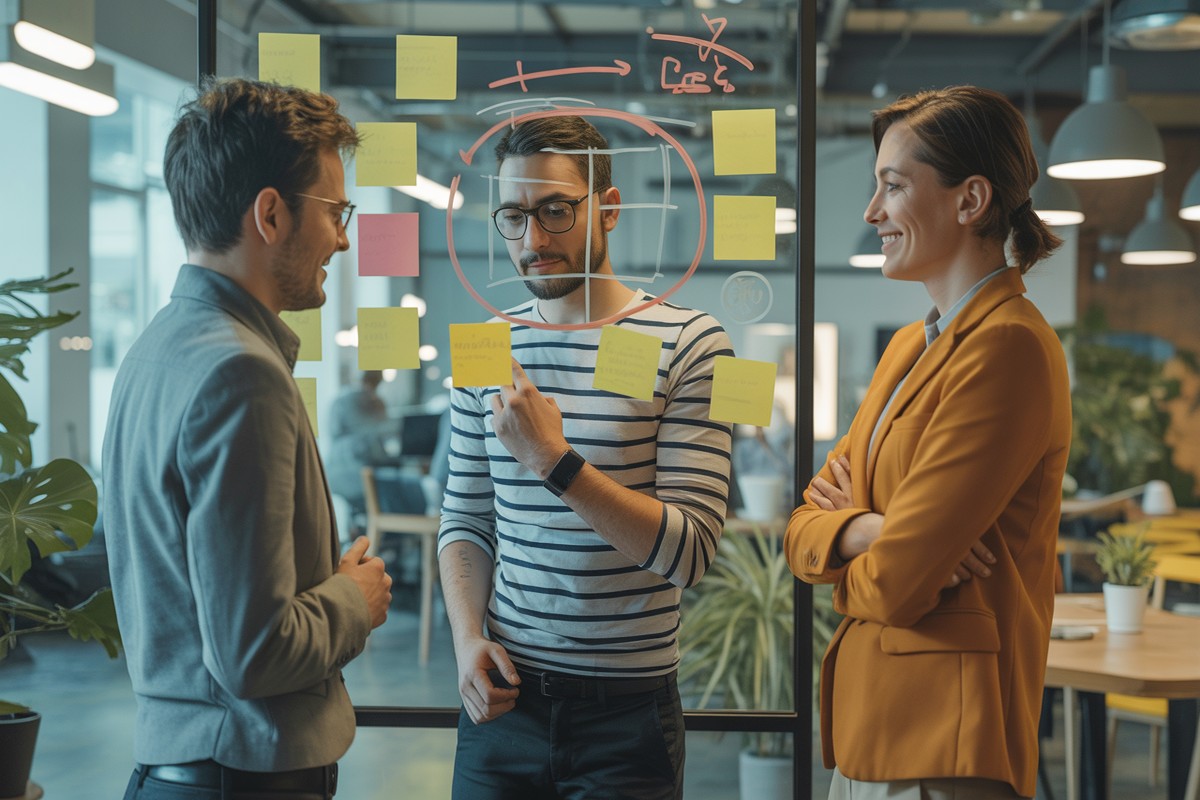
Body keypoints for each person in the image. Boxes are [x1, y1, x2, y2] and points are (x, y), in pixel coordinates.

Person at [103, 78, 393, 800]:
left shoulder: (158, 348)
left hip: (186, 768)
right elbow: (254, 652)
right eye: (335, 211)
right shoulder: (241, 372)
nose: (344, 237)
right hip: (243, 776)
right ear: (270, 213)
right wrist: (355, 598)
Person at [784, 86, 1071, 800]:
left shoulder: (1009, 347)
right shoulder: (910, 347)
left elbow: (901, 581)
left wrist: (870, 545)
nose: (871, 213)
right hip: (871, 730)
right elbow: (800, 530)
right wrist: (873, 528)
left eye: (891, 187)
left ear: (970, 200)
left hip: (945, 745)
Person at [437, 115, 735, 799]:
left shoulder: (690, 342)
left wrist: (552, 459)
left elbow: (689, 553)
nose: (533, 241)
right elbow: (466, 520)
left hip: (625, 719)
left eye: (555, 211)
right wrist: (464, 640)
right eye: (512, 216)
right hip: (501, 699)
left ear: (608, 209)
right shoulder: (485, 345)